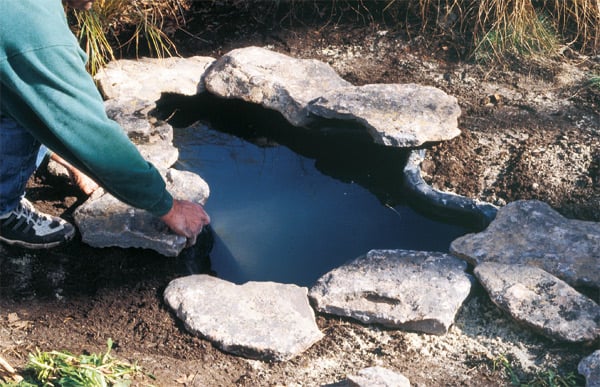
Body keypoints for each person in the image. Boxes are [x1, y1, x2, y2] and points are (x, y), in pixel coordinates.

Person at [0, 0, 210, 249]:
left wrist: (68, 158)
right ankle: (4, 212)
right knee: (22, 112)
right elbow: (89, 132)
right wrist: (168, 207)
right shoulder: (36, 31)